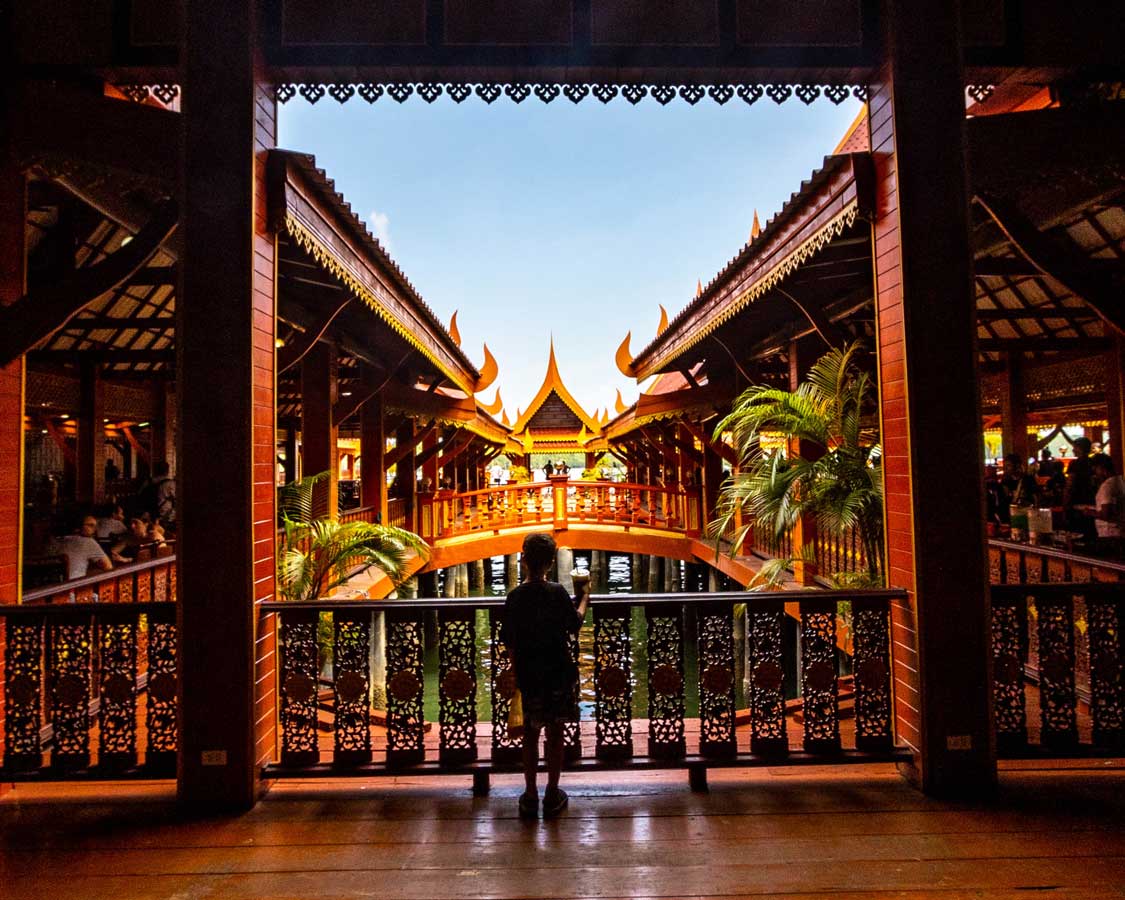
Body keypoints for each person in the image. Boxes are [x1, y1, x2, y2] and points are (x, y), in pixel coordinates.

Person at [501, 532, 590, 819]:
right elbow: (573, 623)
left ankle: (530, 794)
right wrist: (585, 597)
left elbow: (510, 641)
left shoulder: (515, 596)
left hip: (529, 673)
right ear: (551, 562)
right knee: (555, 733)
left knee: (530, 734)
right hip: (558, 672)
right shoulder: (557, 592)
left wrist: (514, 672)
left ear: (523, 558)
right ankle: (552, 791)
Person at [49, 514, 112, 580]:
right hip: (74, 587)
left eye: (95, 526)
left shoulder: (53, 541)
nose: (95, 529)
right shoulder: (87, 541)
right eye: (91, 525)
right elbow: (108, 567)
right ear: (77, 527)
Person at [1091, 455, 1125, 555]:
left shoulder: (1107, 486)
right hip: (1121, 531)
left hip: (1109, 534)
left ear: (1101, 468)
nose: (1095, 474)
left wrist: (1088, 512)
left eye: (1095, 469)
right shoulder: (1120, 481)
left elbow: (1106, 514)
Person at [1064, 437, 1097, 538]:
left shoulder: (1075, 464)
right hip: (1092, 501)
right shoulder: (1094, 462)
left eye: (1074, 447)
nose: (1073, 450)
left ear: (1080, 448)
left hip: (1077, 502)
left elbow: (1070, 485)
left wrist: (1065, 502)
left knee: (1077, 533)